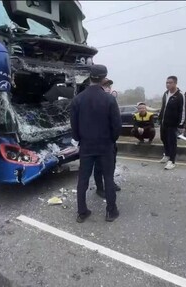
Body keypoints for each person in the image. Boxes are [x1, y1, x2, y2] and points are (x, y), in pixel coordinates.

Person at [71, 64, 121, 223]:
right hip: (105, 145)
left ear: (90, 77)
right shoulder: (109, 99)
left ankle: (82, 212)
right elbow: (117, 126)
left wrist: (80, 139)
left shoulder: (78, 99)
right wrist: (111, 140)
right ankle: (111, 211)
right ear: (104, 78)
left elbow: (74, 125)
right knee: (108, 177)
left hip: (86, 145)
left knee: (83, 179)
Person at [93, 77, 121, 197]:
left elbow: (116, 121)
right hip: (98, 140)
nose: (108, 88)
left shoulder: (111, 100)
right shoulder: (95, 101)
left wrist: (113, 138)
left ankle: (110, 183)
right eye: (106, 86)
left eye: (109, 86)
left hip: (110, 140)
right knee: (99, 165)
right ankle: (99, 188)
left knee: (111, 163)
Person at [157, 76, 185, 170]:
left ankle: (172, 161)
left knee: (172, 142)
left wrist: (181, 124)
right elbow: (163, 107)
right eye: (167, 82)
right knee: (163, 138)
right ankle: (167, 155)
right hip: (164, 122)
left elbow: (183, 110)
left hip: (173, 123)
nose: (168, 84)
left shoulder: (180, 95)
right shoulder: (165, 94)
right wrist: (160, 118)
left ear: (175, 83)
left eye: (170, 83)